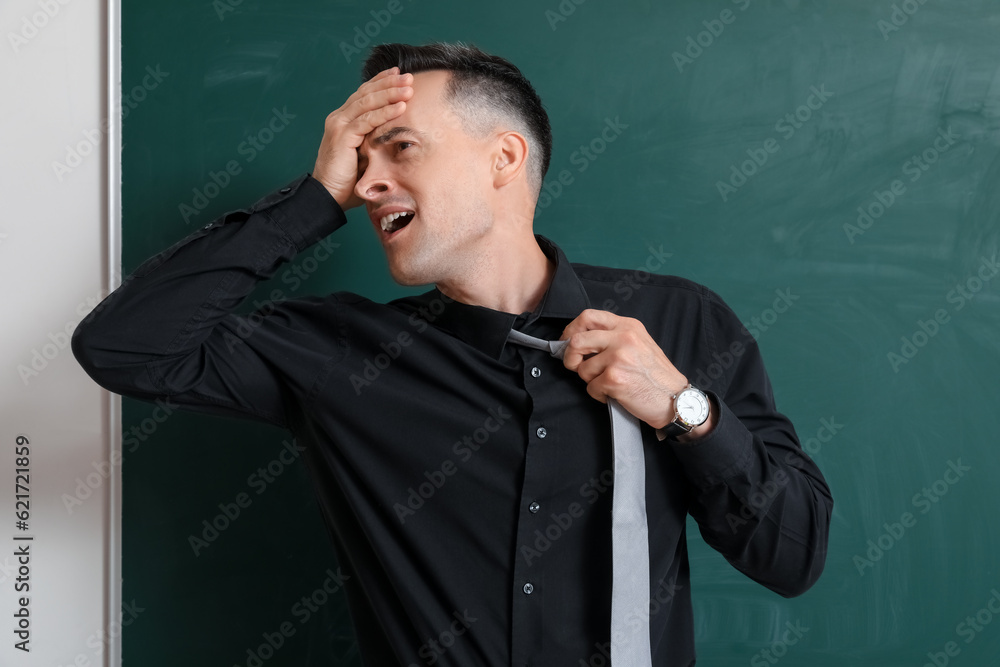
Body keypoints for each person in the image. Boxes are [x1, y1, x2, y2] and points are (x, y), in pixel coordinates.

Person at [72, 42, 832, 666]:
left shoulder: (679, 321)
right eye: (360, 162)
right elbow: (123, 345)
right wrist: (313, 198)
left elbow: (792, 556)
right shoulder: (339, 353)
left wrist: (684, 410)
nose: (369, 184)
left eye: (399, 148)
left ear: (504, 158)